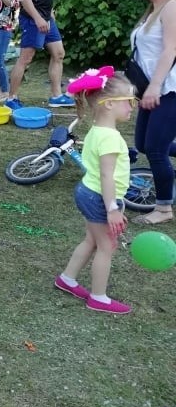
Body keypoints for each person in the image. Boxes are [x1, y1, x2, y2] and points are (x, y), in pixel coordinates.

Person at [56, 67, 134, 314]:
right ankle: (98, 297)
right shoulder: (110, 137)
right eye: (129, 101)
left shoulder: (96, 131)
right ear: (109, 104)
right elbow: (106, 176)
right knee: (106, 246)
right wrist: (112, 208)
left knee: (92, 240)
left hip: (89, 193)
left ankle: (67, 279)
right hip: (99, 197)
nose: (132, 107)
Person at [6, 0, 74, 109]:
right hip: (32, 20)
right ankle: (11, 98)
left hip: (46, 19)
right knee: (26, 58)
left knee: (59, 53)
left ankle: (56, 96)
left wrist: (49, 12)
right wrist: (37, 18)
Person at [132, 0, 176, 225]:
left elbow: (171, 50)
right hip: (151, 88)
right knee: (142, 144)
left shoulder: (171, 7)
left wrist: (156, 87)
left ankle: (163, 209)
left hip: (169, 89)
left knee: (156, 150)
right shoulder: (152, 11)